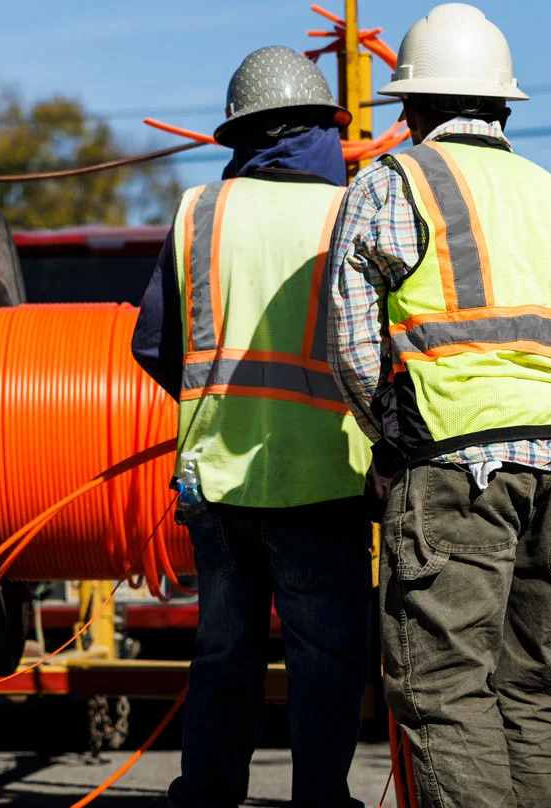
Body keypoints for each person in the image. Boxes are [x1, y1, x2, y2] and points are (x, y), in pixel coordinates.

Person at [324, 4, 551, 806]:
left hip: (456, 465)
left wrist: (391, 443)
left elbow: (354, 352)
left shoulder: (390, 184)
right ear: (503, 105)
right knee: (529, 685)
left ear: (411, 109)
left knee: (441, 688)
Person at [132, 45, 373, 808]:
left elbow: (150, 343)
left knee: (224, 650)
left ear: (241, 134)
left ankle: (207, 792)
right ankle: (319, 800)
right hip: (326, 478)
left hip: (216, 482)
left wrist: (215, 411)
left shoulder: (200, 211)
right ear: (322, 132)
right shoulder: (351, 212)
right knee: (325, 655)